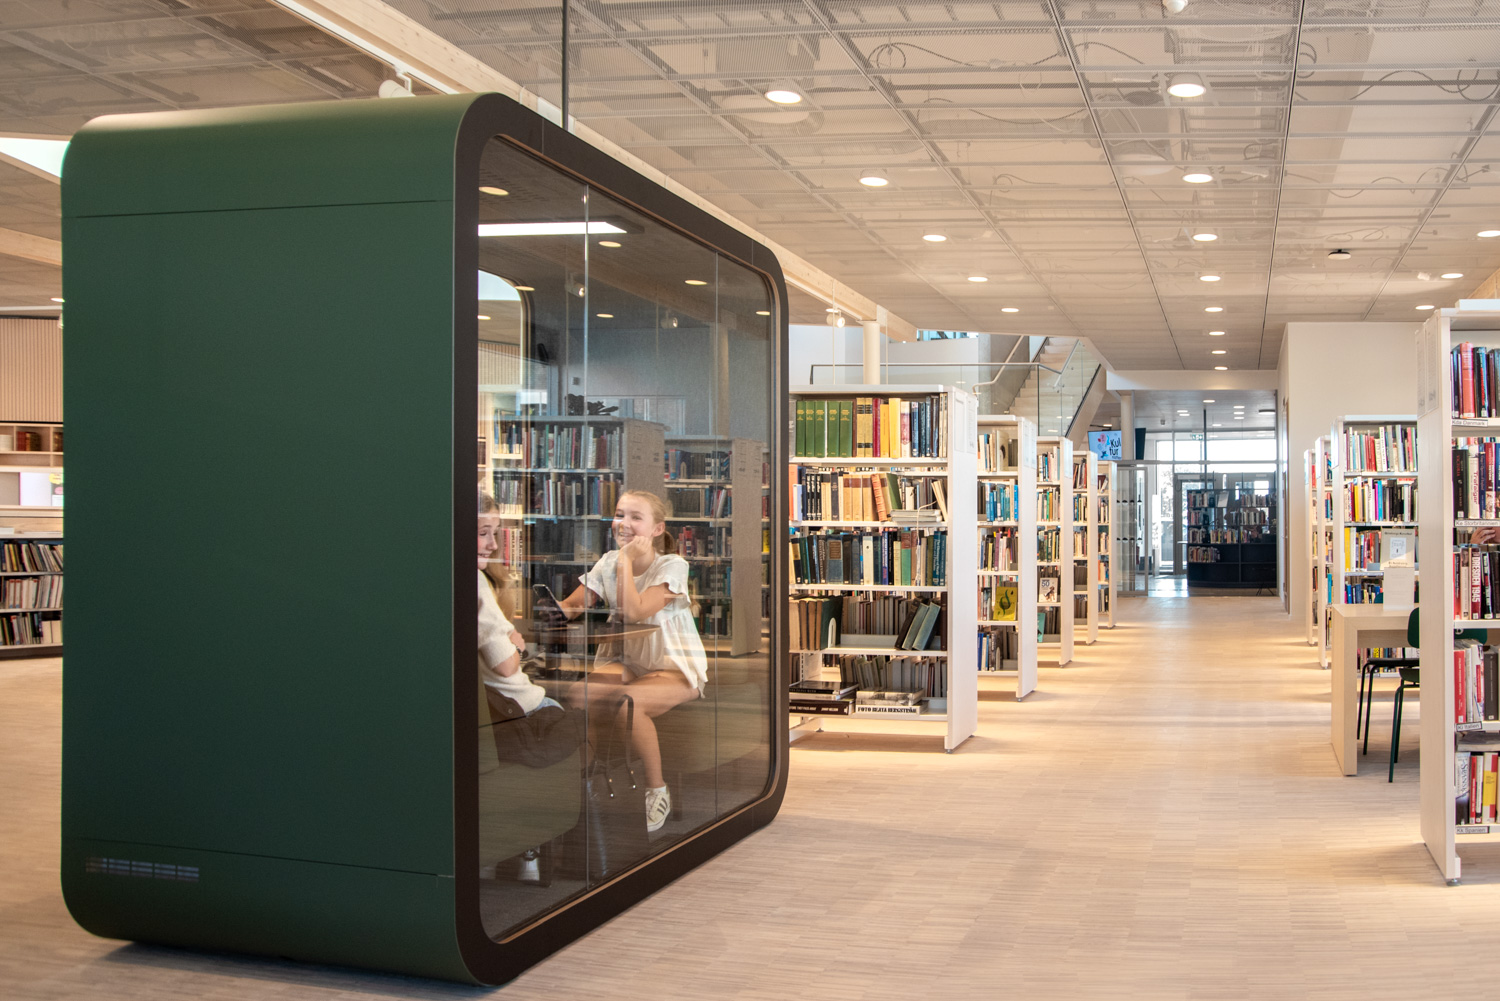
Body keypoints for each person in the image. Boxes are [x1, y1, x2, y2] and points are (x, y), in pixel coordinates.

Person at [558, 489, 706, 833]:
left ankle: (657, 790)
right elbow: (574, 605)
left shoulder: (672, 565)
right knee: (578, 696)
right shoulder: (608, 561)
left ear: (657, 529)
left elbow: (634, 612)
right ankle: (584, 782)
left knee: (628, 704)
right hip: (628, 660)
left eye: (635, 517)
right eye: (619, 514)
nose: (623, 523)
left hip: (671, 665)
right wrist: (548, 612)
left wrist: (624, 562)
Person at [478, 490, 558, 715]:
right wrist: (517, 648)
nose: (493, 545)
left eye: (495, 534)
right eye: (483, 533)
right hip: (520, 707)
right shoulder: (477, 582)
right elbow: (505, 665)